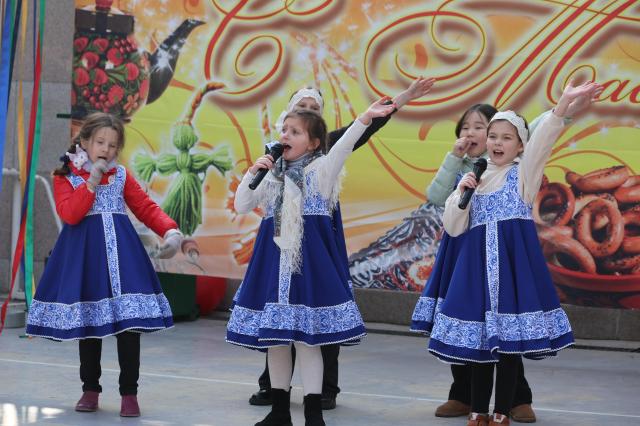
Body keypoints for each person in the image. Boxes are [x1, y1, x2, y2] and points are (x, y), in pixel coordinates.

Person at [415, 80, 601, 426]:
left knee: (509, 345)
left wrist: (561, 108)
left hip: (512, 273)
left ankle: (503, 410)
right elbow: (453, 226)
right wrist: (461, 194)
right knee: (482, 346)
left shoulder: (522, 176)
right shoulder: (476, 176)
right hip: (477, 273)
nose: (497, 143)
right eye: (494, 136)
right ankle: (477, 409)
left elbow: (543, 141)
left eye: (506, 137)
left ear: (520, 146)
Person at [248, 77, 436, 410]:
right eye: (300, 108)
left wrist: (404, 97)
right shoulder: (274, 153)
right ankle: (273, 387)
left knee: (323, 302)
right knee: (279, 304)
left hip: (320, 236)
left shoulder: (324, 150)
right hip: (283, 241)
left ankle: (325, 388)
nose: (306, 112)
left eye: (313, 109)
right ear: (286, 117)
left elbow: (363, 128)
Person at [227, 99, 396, 426]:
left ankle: (314, 413)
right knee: (275, 341)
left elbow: (344, 146)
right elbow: (243, 203)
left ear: (314, 142)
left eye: (295, 132)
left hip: (307, 270)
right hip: (273, 267)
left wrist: (364, 118)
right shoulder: (272, 176)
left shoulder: (322, 170)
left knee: (308, 341)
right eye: (284, 130)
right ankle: (278, 412)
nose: (285, 135)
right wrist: (255, 171)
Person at [25, 112, 183, 418]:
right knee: (89, 326)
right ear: (84, 141)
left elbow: (145, 207)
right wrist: (91, 182)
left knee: (129, 327)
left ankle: (129, 393)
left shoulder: (122, 175)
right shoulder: (65, 176)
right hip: (86, 261)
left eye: (112, 145)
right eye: (100, 142)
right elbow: (71, 215)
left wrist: (170, 230)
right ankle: (90, 388)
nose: (106, 149)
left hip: (124, 260)